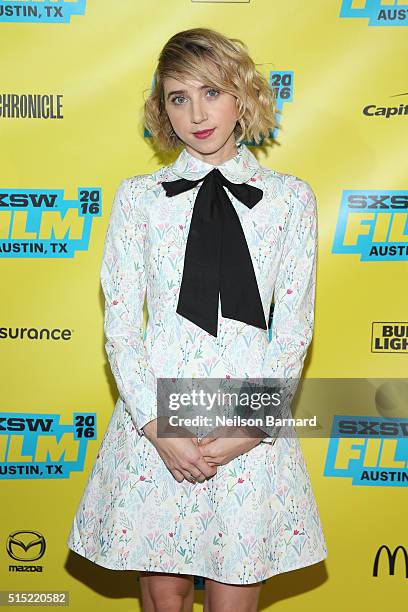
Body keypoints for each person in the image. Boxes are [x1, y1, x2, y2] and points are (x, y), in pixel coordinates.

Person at [67, 27, 328, 612]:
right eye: (178, 98)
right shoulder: (137, 198)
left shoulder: (290, 200)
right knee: (164, 600)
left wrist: (245, 429)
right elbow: (121, 331)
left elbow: (292, 332)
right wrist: (159, 428)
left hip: (248, 421)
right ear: (162, 109)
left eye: (211, 92)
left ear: (241, 95)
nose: (196, 113)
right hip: (157, 423)